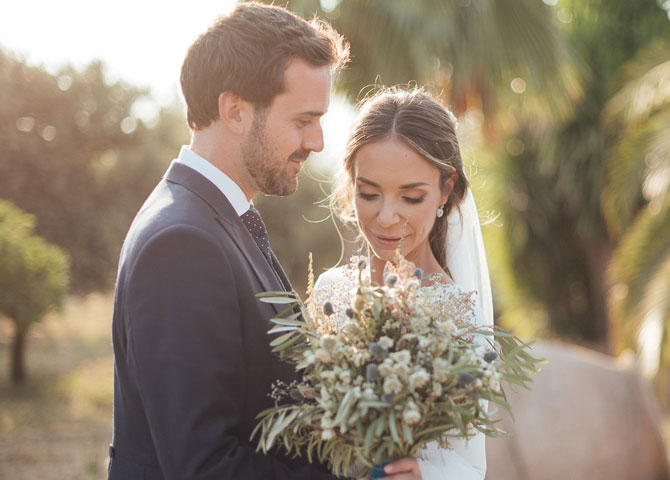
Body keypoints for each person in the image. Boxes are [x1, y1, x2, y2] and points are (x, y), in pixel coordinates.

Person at [108, 4, 349, 479]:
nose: (318, 141)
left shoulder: (215, 219)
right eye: (303, 120)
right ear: (235, 111)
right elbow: (205, 467)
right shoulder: (181, 243)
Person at [315, 88, 492, 479]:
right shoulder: (330, 293)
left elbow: (473, 464)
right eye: (369, 193)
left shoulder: (460, 317)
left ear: (446, 189)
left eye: (411, 197)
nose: (387, 217)